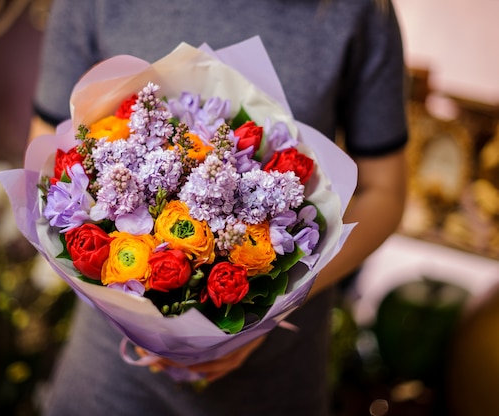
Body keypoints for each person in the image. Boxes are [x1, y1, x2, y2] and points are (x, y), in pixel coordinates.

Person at [28, 0, 408, 414]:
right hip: (110, 382)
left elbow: (383, 192)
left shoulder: (356, 11)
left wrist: (269, 309)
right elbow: (47, 159)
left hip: (274, 383)